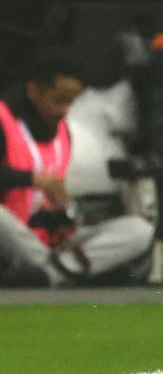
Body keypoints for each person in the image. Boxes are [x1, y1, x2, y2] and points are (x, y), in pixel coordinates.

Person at [1, 49, 155, 287]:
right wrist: (32, 179)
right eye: (58, 100)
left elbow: (40, 207)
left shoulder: (63, 132)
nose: (64, 110)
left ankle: (53, 272)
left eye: (71, 102)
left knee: (139, 229)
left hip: (46, 244)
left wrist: (61, 221)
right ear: (34, 91)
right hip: (11, 239)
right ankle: (71, 271)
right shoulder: (4, 118)